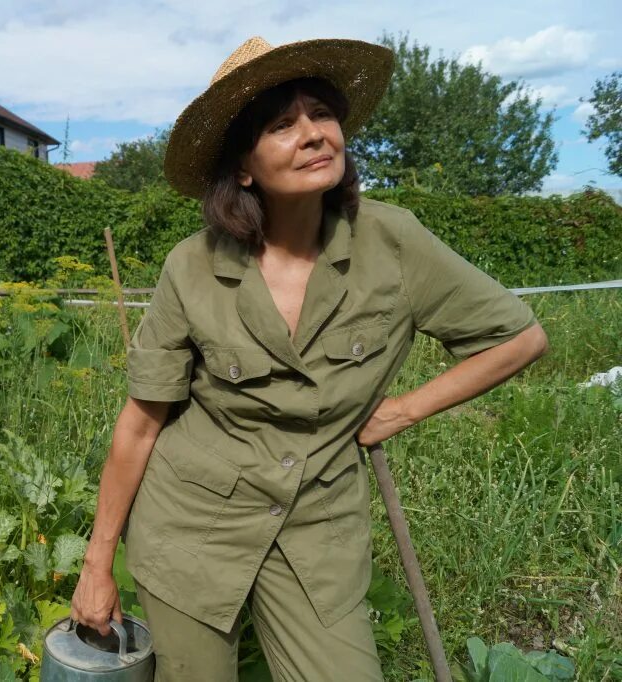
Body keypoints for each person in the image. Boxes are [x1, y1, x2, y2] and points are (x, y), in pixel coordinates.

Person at [70, 36, 549, 681]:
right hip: (191, 527)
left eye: (322, 115)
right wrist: (98, 563)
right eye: (282, 124)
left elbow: (519, 337)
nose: (314, 134)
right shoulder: (192, 266)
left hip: (318, 529)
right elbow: (141, 422)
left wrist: (402, 410)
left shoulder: (393, 241)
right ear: (243, 166)